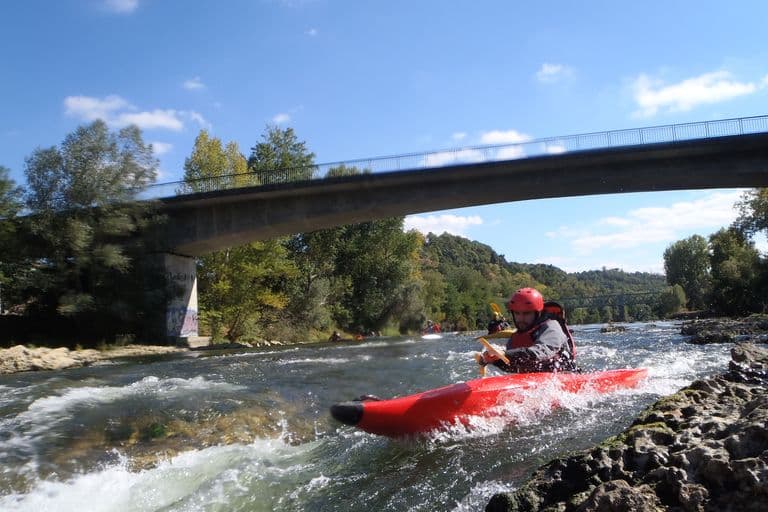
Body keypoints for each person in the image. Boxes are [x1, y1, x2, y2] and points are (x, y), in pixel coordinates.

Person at [478, 287, 577, 373]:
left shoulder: (551, 327)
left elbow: (542, 352)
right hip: (537, 381)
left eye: (526, 314)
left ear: (537, 313)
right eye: (517, 313)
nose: (521, 319)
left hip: (564, 376)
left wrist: (506, 354)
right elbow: (513, 367)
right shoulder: (517, 336)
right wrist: (495, 360)